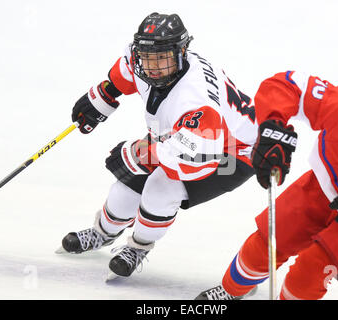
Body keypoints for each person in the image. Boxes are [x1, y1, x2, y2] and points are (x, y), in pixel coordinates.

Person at [56, 12, 267, 279]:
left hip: (233, 153)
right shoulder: (148, 61)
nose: (152, 66)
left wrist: (141, 154)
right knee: (125, 189)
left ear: (182, 52)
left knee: (161, 187)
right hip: (189, 136)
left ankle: (138, 247)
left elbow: (194, 157)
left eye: (161, 58)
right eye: (147, 57)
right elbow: (127, 69)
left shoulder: (195, 99)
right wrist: (104, 95)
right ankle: (102, 233)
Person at [196, 61, 338, 300]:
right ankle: (230, 292)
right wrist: (272, 126)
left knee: (310, 271)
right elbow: (289, 85)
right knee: (267, 243)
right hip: (327, 187)